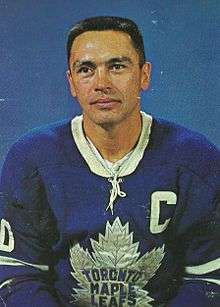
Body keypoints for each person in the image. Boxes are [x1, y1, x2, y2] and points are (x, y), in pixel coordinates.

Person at [0, 16, 219, 307]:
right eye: (86, 69)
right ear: (72, 83)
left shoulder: (195, 158)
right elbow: (17, 275)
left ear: (144, 75)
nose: (101, 83)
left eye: (117, 66)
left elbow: (208, 279)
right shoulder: (31, 159)